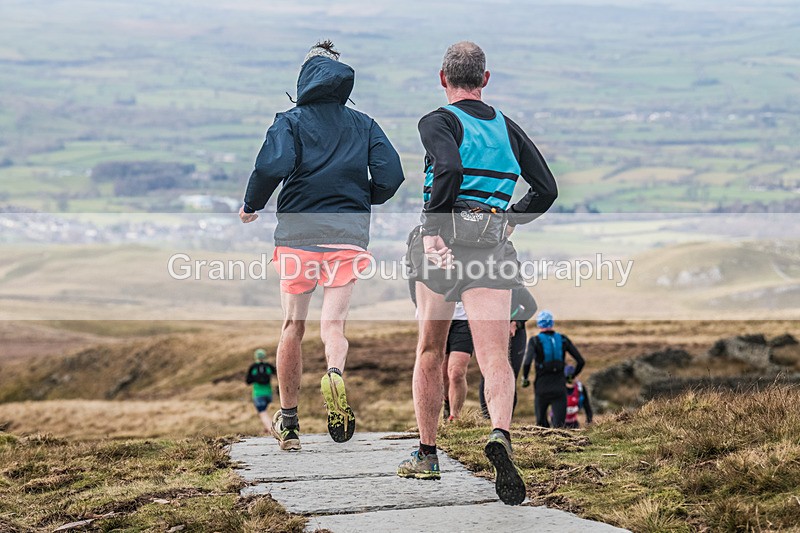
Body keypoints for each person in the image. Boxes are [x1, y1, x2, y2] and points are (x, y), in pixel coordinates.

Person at [398, 41, 557, 507]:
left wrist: (433, 230)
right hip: (491, 245)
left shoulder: (438, 121)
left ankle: (427, 455)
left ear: (442, 78)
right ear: (485, 80)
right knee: (495, 357)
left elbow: (447, 166)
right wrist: (513, 216)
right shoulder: (507, 127)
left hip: (442, 249)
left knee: (430, 350)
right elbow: (545, 188)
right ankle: (500, 432)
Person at [240, 41, 405, 451]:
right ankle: (334, 371)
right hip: (347, 237)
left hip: (298, 237)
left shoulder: (291, 121)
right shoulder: (364, 124)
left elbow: (269, 166)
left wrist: (251, 205)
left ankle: (291, 420)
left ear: (305, 78)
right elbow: (391, 175)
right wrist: (361, 198)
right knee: (334, 326)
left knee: (292, 327)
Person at [479, 286, 537, 417]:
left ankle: (506, 419)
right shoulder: (485, 285)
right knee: (488, 373)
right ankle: (487, 417)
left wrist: (516, 323)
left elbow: (532, 307)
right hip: (491, 332)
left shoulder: (516, 287)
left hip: (516, 335)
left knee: (510, 375)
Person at [521, 310, 585, 428]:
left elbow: (527, 363)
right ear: (552, 323)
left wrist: (525, 378)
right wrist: (571, 376)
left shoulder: (534, 341)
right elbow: (581, 361)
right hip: (560, 387)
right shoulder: (563, 339)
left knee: (541, 425)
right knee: (559, 426)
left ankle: (543, 446)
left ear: (539, 324)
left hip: (541, 387)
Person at [443, 302, 472, 421]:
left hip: (465, 319)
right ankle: (447, 403)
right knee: (443, 376)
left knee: (456, 373)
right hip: (438, 316)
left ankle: (455, 416)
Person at [245, 348, 277, 432]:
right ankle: (266, 429)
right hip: (269, 394)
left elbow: (248, 381)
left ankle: (272, 430)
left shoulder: (253, 367)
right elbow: (277, 374)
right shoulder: (268, 366)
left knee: (262, 413)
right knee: (266, 411)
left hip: (258, 394)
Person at [564, 364, 593, 429]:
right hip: (557, 423)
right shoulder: (559, 388)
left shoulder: (580, 388)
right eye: (568, 377)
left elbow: (587, 406)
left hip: (573, 423)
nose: (570, 379)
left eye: (572, 377)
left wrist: (589, 422)